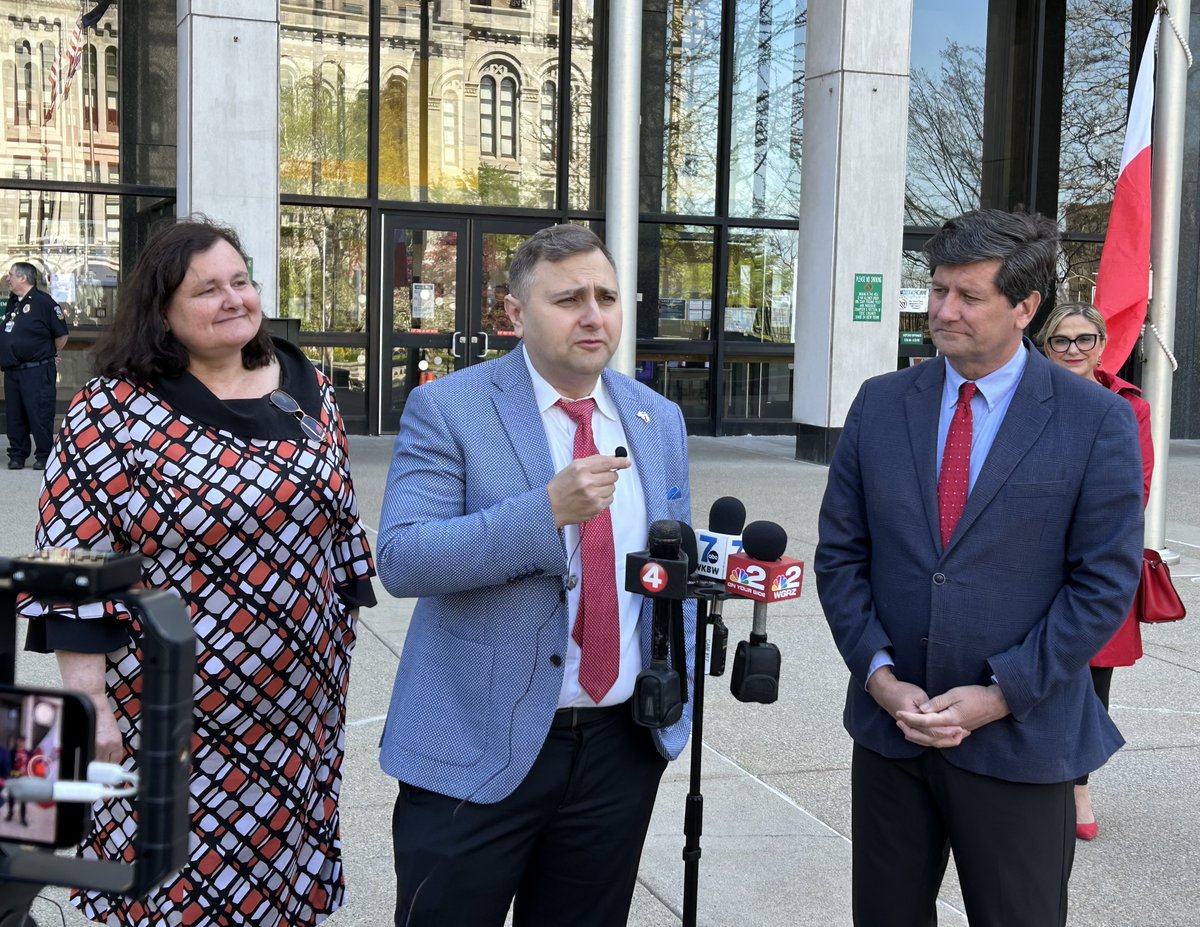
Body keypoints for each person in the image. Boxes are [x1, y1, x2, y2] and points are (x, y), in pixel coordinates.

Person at [19, 217, 377, 927]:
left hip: (295, 710)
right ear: (163, 311)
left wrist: (340, 628)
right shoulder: (114, 410)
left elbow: (341, 524)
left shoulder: (306, 388)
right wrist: (92, 701)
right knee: (176, 886)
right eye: (208, 289)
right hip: (171, 708)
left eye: (241, 281)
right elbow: (71, 558)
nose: (234, 298)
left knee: (278, 875)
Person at [814, 208, 1144, 927]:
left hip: (1019, 740)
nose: (943, 310)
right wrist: (879, 677)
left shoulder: (1095, 421)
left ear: (1025, 307)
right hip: (891, 733)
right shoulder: (880, 404)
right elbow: (841, 555)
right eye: (937, 290)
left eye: (968, 295)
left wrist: (1000, 693)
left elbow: (1103, 585)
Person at [376, 224, 694, 927]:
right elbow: (403, 556)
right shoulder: (450, 408)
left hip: (619, 747)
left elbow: (674, 571)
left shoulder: (657, 418)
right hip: (477, 742)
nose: (593, 314)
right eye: (568, 298)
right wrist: (545, 511)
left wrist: (676, 703)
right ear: (515, 314)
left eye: (606, 296)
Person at [1037, 302, 1153, 841]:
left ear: (1103, 344)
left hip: (1093, 565)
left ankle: (1077, 786)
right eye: (1062, 340)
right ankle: (1034, 775)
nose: (1074, 350)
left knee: (1090, 680)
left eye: (1086, 339)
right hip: (1027, 564)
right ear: (1044, 345)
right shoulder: (1024, 397)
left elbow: (1135, 490)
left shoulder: (1128, 407)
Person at [1, 262, 69, 470]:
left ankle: (43, 455)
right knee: (15, 415)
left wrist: (52, 354)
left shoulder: (44, 302)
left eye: (11, 275)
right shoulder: (13, 302)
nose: (8, 278)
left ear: (23, 278)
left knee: (39, 413)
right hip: (13, 371)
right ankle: (17, 455)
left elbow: (61, 334)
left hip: (37, 370)